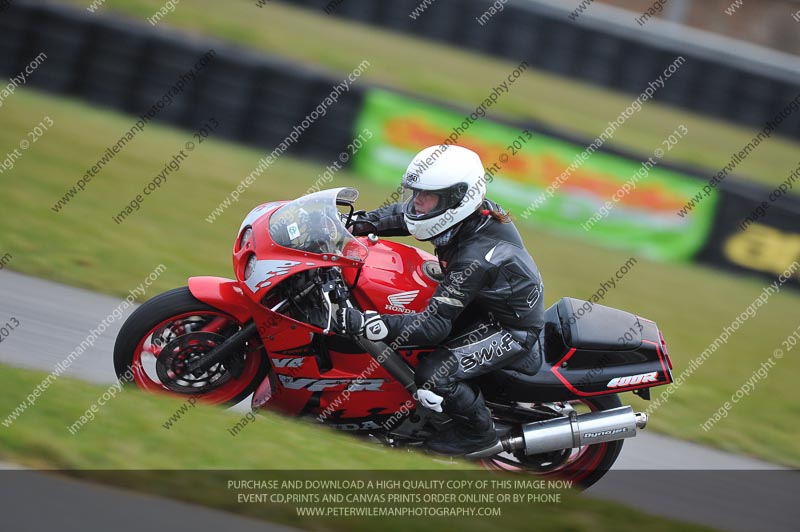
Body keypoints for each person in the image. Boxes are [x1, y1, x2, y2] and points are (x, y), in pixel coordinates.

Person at [336, 144, 544, 455]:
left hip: (509, 328)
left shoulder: (476, 256)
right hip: (480, 304)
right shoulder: (460, 214)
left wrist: (365, 323)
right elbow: (403, 216)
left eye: (427, 195)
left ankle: (478, 433)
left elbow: (433, 327)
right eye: (415, 192)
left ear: (456, 198)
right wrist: (352, 225)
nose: (417, 202)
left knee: (434, 373)